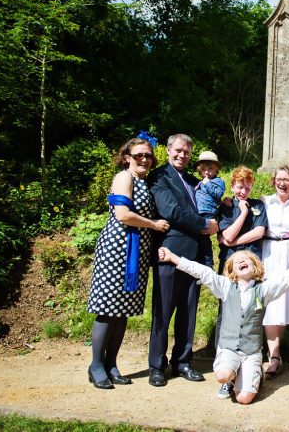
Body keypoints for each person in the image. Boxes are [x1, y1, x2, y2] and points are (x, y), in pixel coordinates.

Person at [158, 247, 289, 404]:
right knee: (223, 375)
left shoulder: (264, 290)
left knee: (244, 399)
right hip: (228, 349)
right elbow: (203, 272)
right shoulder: (225, 286)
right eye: (237, 260)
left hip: (251, 352)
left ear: (255, 266)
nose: (241, 260)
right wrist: (173, 257)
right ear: (232, 271)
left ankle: (255, 375)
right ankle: (231, 378)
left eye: (246, 259)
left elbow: (288, 277)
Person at [87, 137, 170, 389]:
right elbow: (123, 215)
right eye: (139, 155)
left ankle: (111, 363)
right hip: (118, 248)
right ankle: (96, 365)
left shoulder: (144, 181)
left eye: (148, 156)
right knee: (108, 310)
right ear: (127, 157)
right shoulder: (125, 178)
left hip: (137, 251)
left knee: (122, 311)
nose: (144, 159)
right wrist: (154, 224)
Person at [147, 133, 218, 387]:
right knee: (163, 312)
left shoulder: (193, 180)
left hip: (195, 256)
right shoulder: (159, 176)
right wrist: (204, 224)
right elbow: (170, 211)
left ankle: (183, 362)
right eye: (178, 150)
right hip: (169, 253)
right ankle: (157, 365)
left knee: (189, 311)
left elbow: (208, 206)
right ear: (168, 150)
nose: (182, 155)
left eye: (187, 152)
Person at [215, 165, 268, 397]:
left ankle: (253, 366)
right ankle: (227, 372)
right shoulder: (226, 207)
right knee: (227, 314)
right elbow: (225, 235)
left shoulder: (259, 205)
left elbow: (259, 233)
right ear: (233, 185)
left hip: (254, 270)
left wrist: (235, 245)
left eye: (247, 185)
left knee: (255, 314)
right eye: (239, 185)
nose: (243, 190)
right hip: (230, 270)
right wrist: (243, 213)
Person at [260, 166, 289, 380]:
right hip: (268, 253)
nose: (282, 183)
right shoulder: (264, 202)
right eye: (279, 179)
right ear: (273, 181)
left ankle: (275, 351)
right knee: (270, 302)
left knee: (283, 302)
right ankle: (275, 355)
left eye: (286, 179)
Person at [194, 150, 225, 268]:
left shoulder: (218, 181)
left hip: (208, 213)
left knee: (204, 239)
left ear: (216, 169)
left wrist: (207, 184)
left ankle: (208, 264)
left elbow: (218, 194)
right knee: (199, 239)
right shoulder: (199, 182)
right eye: (203, 170)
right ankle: (198, 263)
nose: (207, 172)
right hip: (198, 213)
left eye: (210, 169)